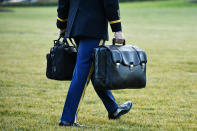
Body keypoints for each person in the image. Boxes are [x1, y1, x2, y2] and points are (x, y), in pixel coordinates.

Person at [56, 0, 132, 127]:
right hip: (93, 27)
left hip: (75, 26)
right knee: (82, 73)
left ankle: (113, 109)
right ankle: (67, 119)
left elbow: (63, 2)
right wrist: (117, 29)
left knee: (93, 69)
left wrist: (62, 23)